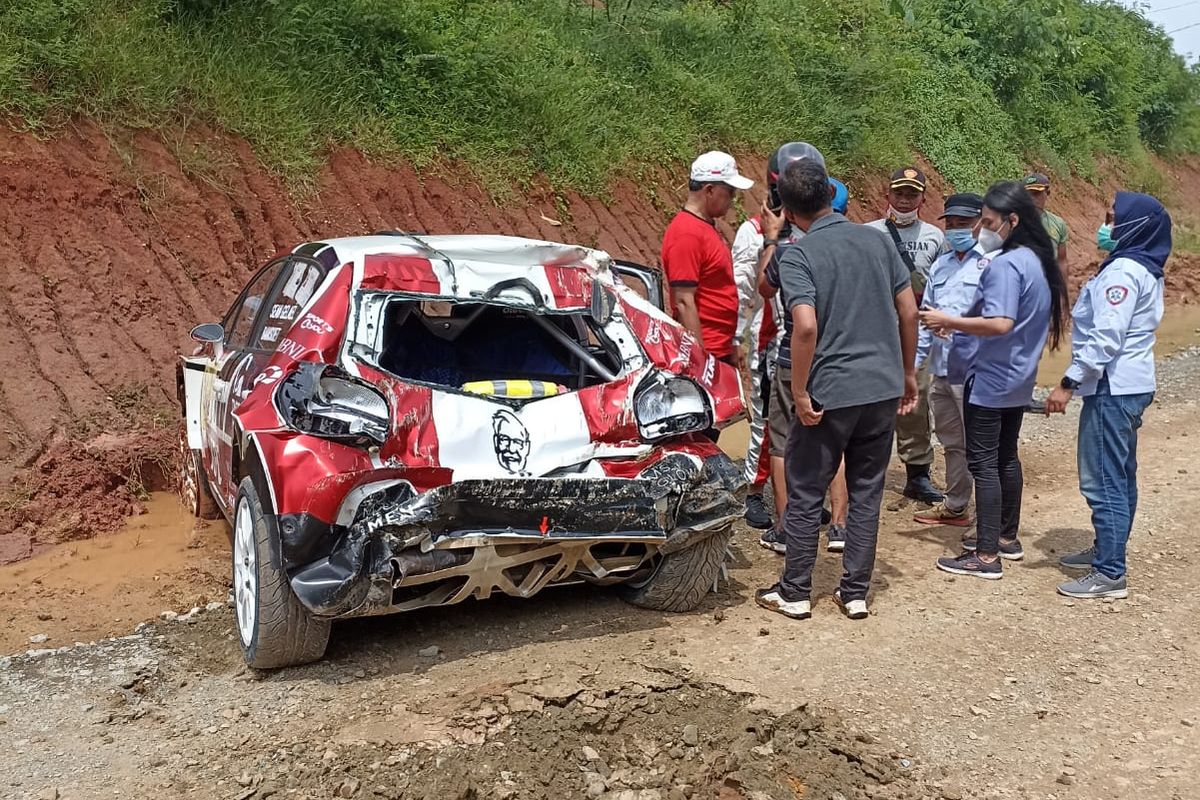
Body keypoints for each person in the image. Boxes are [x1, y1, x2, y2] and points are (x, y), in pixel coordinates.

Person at [755, 158, 919, 621]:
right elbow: (908, 312)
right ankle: (855, 592)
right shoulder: (879, 240)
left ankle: (795, 591)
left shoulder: (798, 255)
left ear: (784, 207)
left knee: (807, 489)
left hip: (831, 392)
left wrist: (802, 391)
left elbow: (803, 326)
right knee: (868, 489)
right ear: (830, 194)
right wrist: (907, 374)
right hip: (882, 386)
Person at [921, 181, 1068, 580]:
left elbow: (1001, 323)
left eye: (987, 221)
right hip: (1018, 376)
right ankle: (1005, 536)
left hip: (991, 377)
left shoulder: (1005, 264)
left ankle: (985, 555)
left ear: (1012, 220)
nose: (979, 229)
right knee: (1005, 456)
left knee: (983, 462)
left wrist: (948, 320)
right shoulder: (1037, 261)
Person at [1045, 191, 1170, 599]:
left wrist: (1067, 383)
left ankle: (1110, 571)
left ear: (1135, 226)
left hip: (1113, 388)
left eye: (1113, 219)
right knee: (1121, 473)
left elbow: (1105, 340)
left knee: (1103, 479)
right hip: (1131, 384)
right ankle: (1107, 550)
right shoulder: (1140, 267)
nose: (1105, 226)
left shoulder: (1122, 273)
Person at [754, 176, 851, 544]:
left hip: (792, 356)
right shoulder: (855, 245)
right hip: (835, 359)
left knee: (782, 443)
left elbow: (764, 288)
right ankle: (839, 524)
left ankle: (786, 528)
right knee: (834, 442)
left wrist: (772, 236)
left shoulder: (789, 248)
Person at [866, 168, 946, 504]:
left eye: (912, 194)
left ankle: (917, 474)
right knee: (870, 401)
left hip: (919, 330)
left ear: (923, 199)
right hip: (876, 329)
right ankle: (867, 472)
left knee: (915, 400)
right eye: (899, 193)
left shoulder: (936, 237)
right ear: (888, 195)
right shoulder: (867, 234)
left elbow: (943, 281)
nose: (904, 200)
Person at [912, 193, 988, 529]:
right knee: (951, 441)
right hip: (941, 370)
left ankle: (991, 520)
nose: (956, 228)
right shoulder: (941, 265)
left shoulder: (991, 263)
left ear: (979, 224)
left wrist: (954, 328)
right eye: (951, 223)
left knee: (983, 446)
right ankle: (957, 506)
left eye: (963, 222)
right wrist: (914, 367)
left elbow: (997, 320)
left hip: (975, 371)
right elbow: (926, 317)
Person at [661, 150, 754, 372]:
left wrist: (732, 341)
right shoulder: (687, 234)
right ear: (709, 190)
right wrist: (700, 362)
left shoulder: (705, 227)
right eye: (729, 192)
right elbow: (684, 301)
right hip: (707, 353)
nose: (732, 200)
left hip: (719, 349)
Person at [1024, 172, 1069, 283]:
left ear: (1047, 193)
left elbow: (1062, 261)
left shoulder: (1057, 224)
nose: (1032, 199)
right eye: (1027, 194)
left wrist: (1063, 294)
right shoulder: (1013, 222)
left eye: (1036, 193)